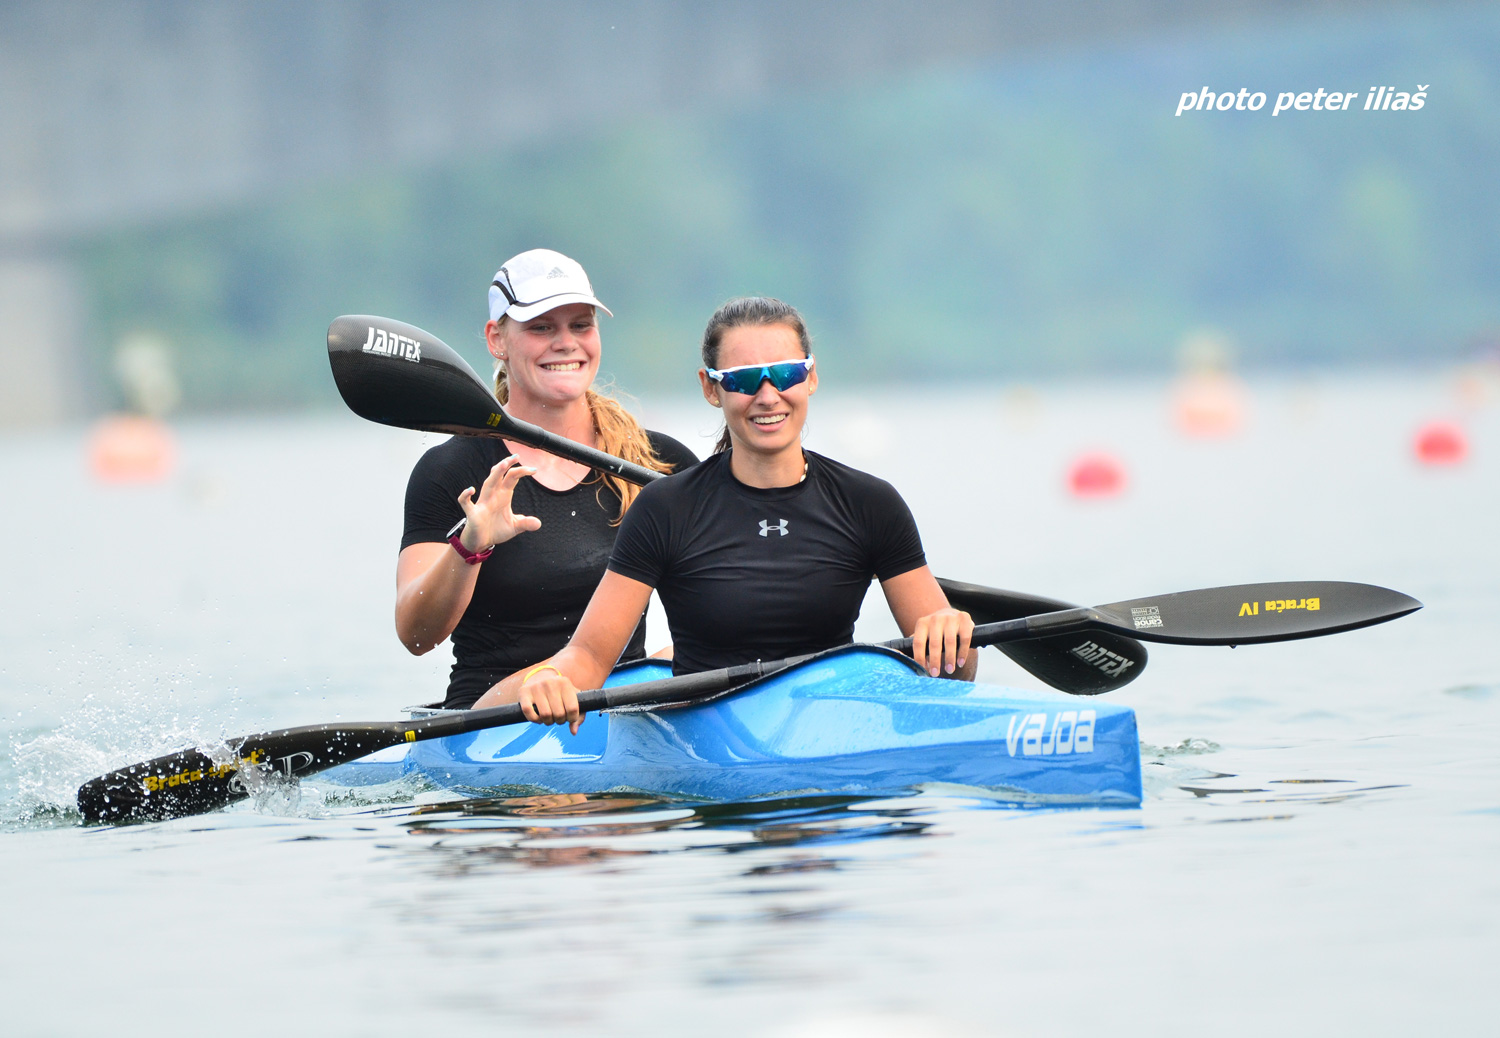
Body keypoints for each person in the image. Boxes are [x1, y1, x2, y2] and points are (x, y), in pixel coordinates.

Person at [473, 296, 975, 725]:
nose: (767, 394)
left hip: (828, 725)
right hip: (706, 735)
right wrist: (551, 681)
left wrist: (951, 637)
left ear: (811, 378)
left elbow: (957, 669)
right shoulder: (665, 509)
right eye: (743, 380)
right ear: (711, 388)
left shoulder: (870, 503)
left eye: (784, 374)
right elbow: (587, 657)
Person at [396, 249, 698, 709]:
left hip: (619, 707)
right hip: (491, 717)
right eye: (541, 328)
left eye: (581, 325)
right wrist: (470, 547)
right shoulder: (451, 472)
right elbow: (416, 635)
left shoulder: (659, 464)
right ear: (497, 339)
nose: (566, 343)